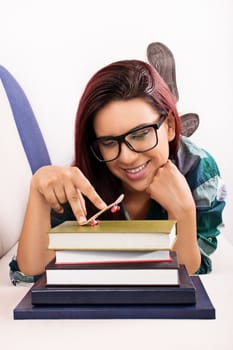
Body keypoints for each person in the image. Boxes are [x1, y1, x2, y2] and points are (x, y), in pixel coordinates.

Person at [11, 59, 226, 284]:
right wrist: (37, 192)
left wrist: (183, 212)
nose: (126, 157)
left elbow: (187, 278)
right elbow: (31, 276)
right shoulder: (82, 182)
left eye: (141, 133)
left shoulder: (200, 175)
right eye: (109, 142)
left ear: (170, 126)